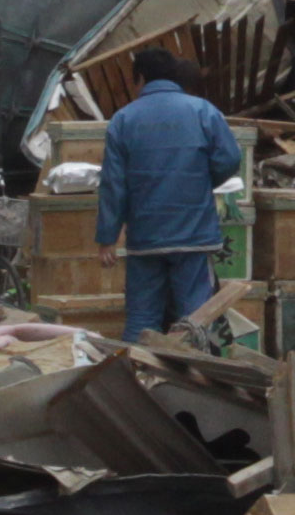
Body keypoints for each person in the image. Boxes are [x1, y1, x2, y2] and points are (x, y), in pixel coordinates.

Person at [93, 55, 245, 338]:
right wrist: (203, 181)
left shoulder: (123, 119)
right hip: (193, 235)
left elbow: (113, 183)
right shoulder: (203, 111)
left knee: (142, 318)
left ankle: (137, 364)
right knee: (195, 317)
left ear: (140, 78)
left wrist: (107, 238)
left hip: (145, 238)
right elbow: (230, 158)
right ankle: (193, 365)